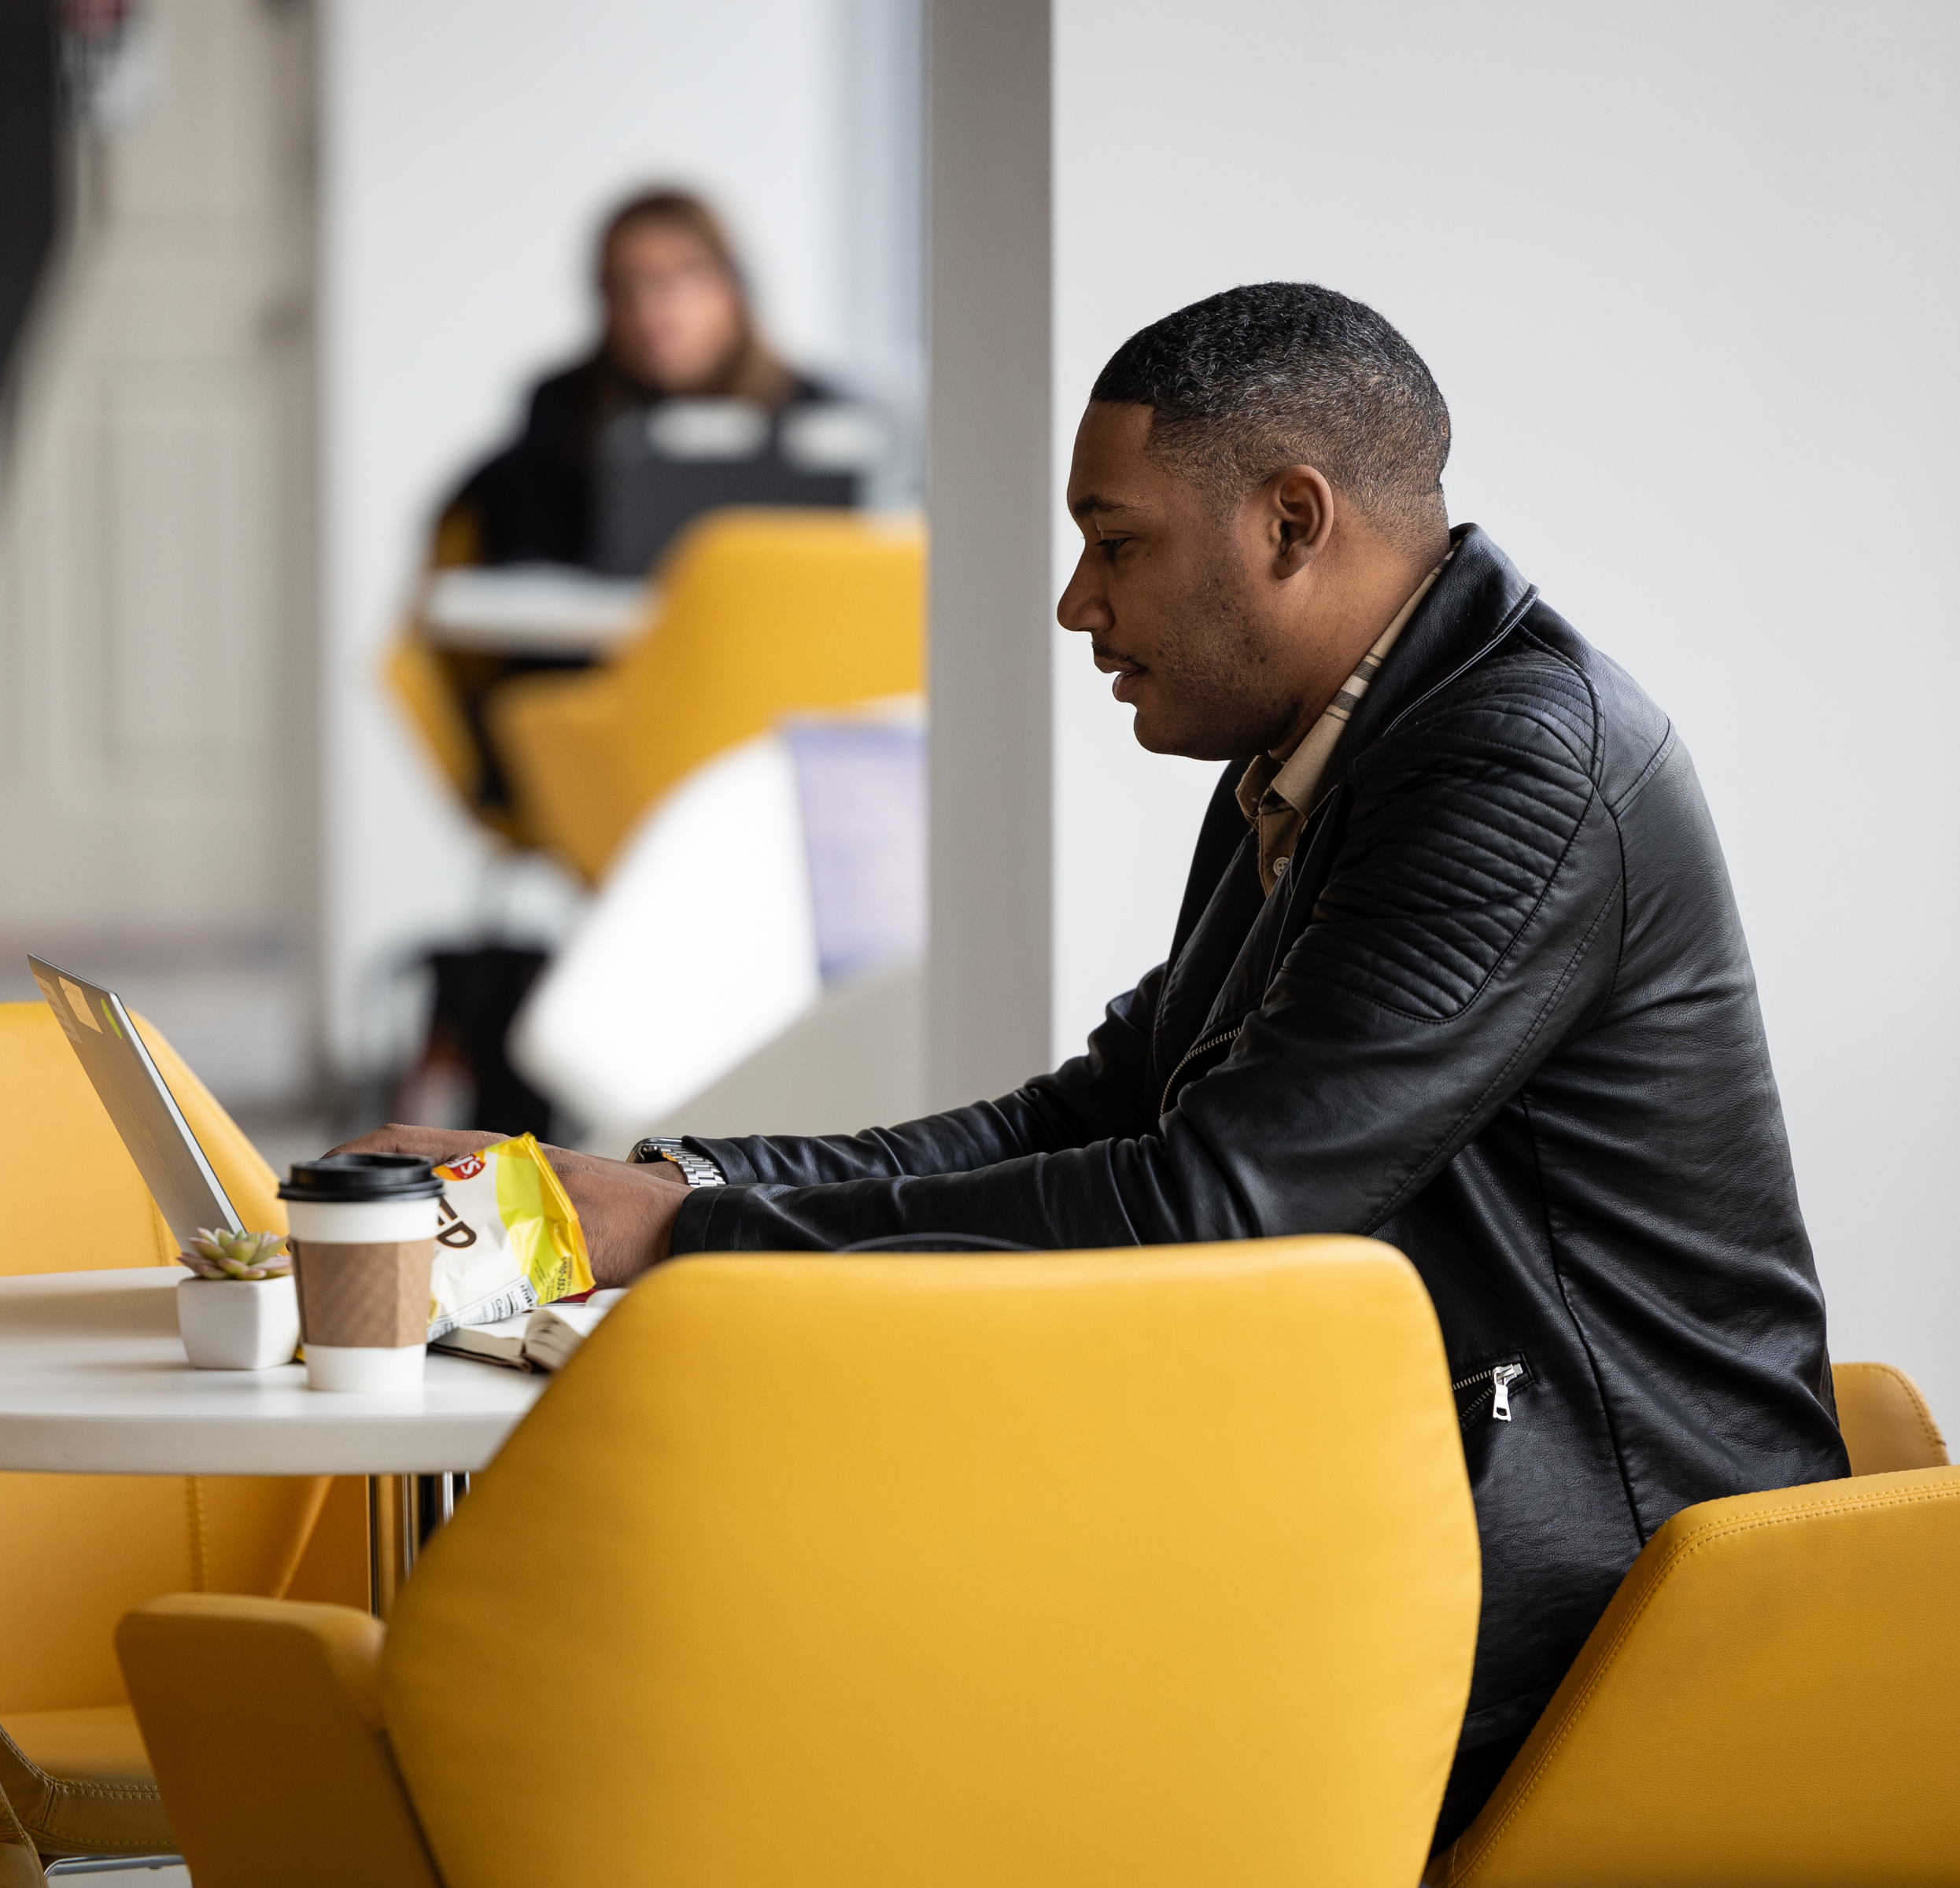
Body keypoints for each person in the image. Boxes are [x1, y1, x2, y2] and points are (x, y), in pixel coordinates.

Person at [346, 282, 1852, 1853]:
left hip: (1615, 1590)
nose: (1077, 604)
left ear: (1290, 522)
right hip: (1432, 1498)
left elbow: (1218, 1202)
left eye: (1115, 541)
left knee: (850, 1654)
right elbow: (1100, 1113)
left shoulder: (1517, 772)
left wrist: (699, 1245)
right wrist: (684, 1186)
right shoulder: (1316, 755)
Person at [445, 187, 830, 570]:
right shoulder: (563, 409)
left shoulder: (819, 418)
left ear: (730, 287)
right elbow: (523, 564)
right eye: (625, 285)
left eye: (677, 277)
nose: (648, 308)